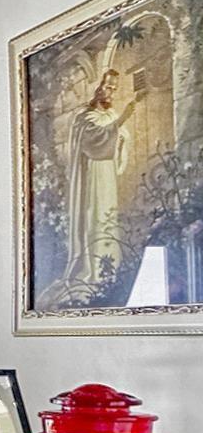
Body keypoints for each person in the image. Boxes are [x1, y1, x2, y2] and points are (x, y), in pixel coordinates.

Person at [60, 67, 144, 296]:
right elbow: (94, 141)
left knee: (108, 216)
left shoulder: (110, 116)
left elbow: (119, 139)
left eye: (115, 89)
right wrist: (123, 119)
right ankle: (94, 270)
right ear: (97, 88)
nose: (111, 93)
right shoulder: (83, 118)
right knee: (95, 216)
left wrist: (121, 135)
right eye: (108, 87)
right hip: (93, 176)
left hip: (107, 175)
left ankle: (111, 268)